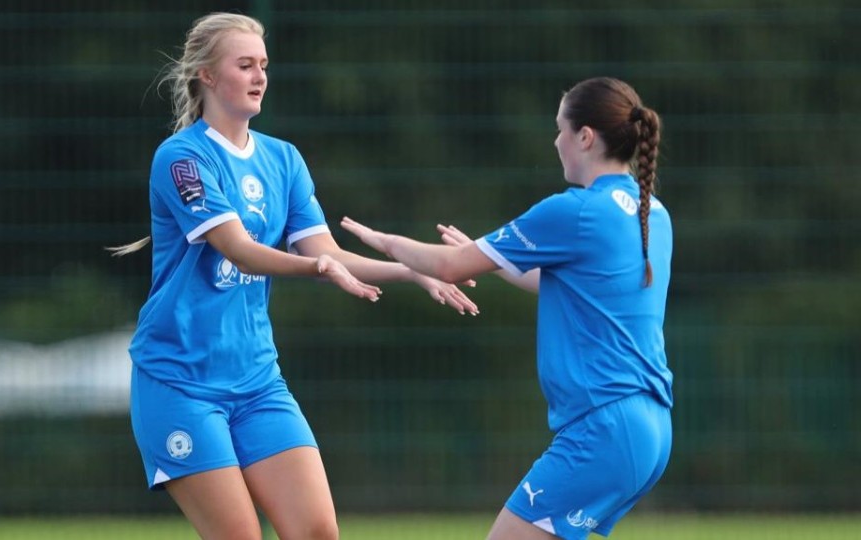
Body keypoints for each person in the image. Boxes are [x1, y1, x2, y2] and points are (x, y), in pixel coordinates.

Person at [109, 12, 479, 540]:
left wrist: (414, 270)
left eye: (263, 64)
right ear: (207, 76)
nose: (259, 76)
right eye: (244, 65)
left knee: (317, 532)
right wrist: (316, 266)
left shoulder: (283, 159)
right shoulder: (182, 158)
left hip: (258, 382)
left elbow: (325, 251)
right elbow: (239, 250)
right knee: (240, 536)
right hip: (181, 383)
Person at [341, 77, 672, 540]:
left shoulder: (575, 211)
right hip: (651, 425)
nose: (555, 141)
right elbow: (572, 287)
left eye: (560, 129)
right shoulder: (650, 211)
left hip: (604, 425)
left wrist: (387, 242)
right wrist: (495, 260)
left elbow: (452, 267)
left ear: (585, 136)